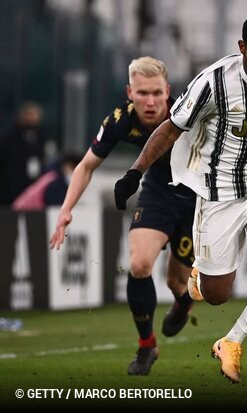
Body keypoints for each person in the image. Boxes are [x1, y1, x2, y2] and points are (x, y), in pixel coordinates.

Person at [113, 13, 247, 384]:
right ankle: (195, 283)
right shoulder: (214, 81)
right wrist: (134, 173)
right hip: (217, 194)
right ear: (242, 49)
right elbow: (170, 128)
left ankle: (232, 341)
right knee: (218, 294)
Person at [49, 57, 196, 376]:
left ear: (168, 91)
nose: (150, 101)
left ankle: (183, 301)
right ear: (130, 92)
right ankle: (147, 346)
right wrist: (65, 210)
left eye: (157, 93)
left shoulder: (188, 111)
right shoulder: (120, 120)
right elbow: (86, 166)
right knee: (140, 264)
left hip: (198, 200)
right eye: (142, 93)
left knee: (176, 281)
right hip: (157, 193)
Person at [0, 102, 50, 206]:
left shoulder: (41, 137)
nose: (32, 118)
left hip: (33, 183)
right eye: (29, 115)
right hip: (12, 185)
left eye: (34, 115)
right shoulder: (10, 136)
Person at [12, 153, 82, 211]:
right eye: (73, 169)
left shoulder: (52, 176)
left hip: (24, 210)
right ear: (67, 165)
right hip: (25, 211)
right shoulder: (55, 181)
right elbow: (55, 205)